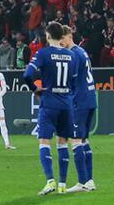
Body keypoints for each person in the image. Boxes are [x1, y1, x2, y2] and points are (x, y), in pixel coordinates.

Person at [23, 22, 81, 195]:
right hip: (66, 104)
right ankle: (63, 184)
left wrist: (35, 89)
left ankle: (50, 181)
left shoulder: (43, 53)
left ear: (48, 36)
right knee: (63, 142)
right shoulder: (72, 55)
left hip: (49, 102)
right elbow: (75, 81)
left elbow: (27, 75)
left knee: (44, 141)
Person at [62, 28, 98, 193]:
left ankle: (82, 181)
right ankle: (89, 180)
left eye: (62, 39)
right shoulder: (82, 51)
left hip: (80, 101)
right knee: (84, 140)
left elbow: (72, 80)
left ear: (69, 37)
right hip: (90, 99)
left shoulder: (73, 55)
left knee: (75, 140)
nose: (60, 43)